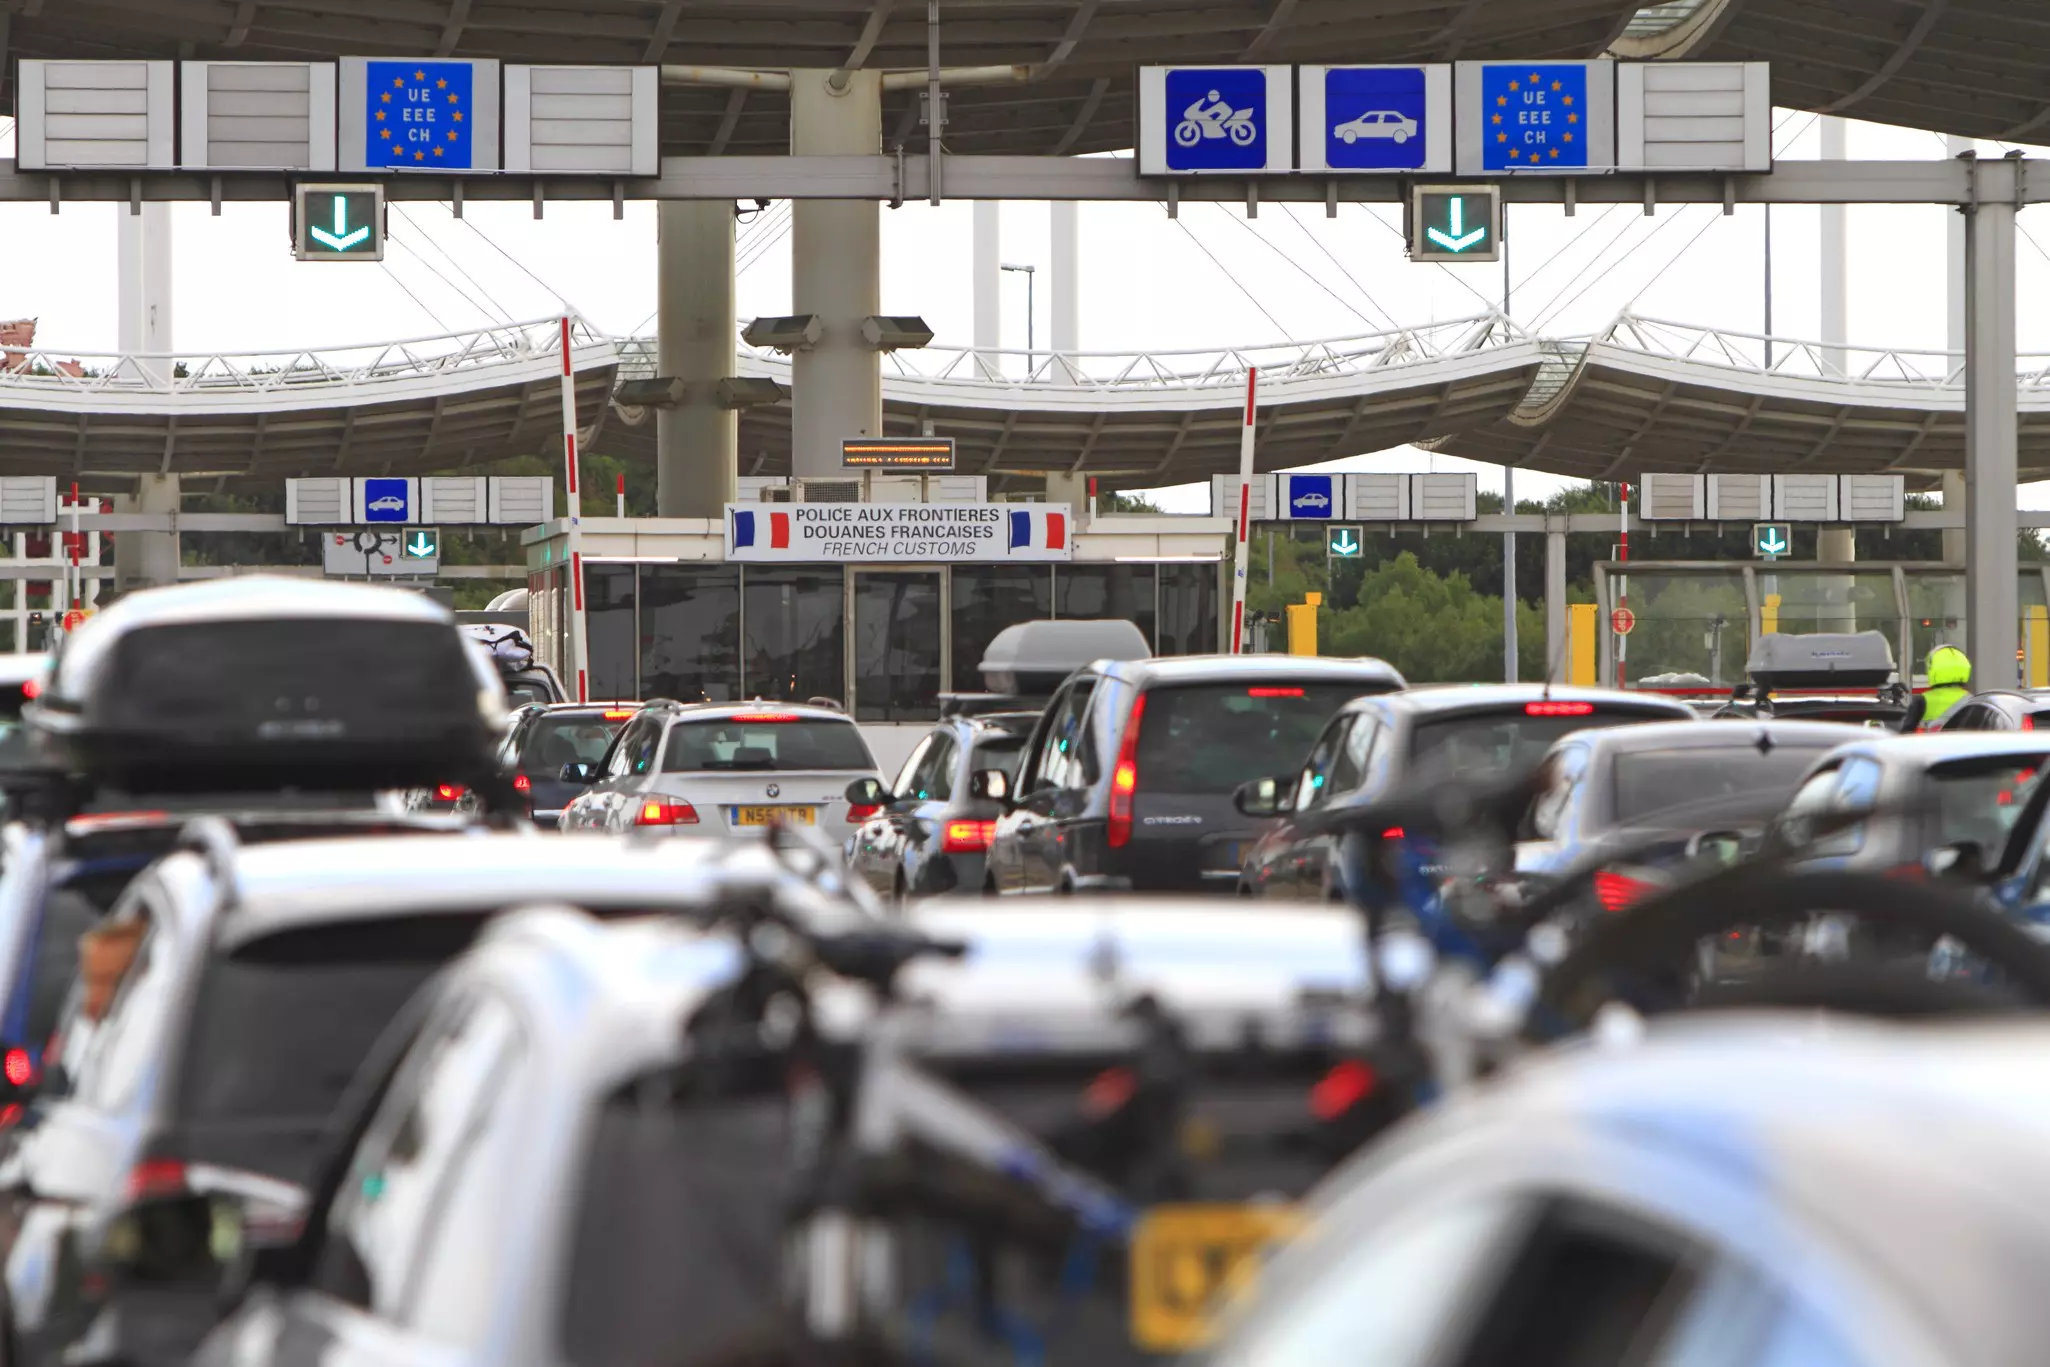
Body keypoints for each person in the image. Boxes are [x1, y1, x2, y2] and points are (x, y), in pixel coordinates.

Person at [1902, 644, 1972, 732]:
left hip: (1929, 745)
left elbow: (1906, 734)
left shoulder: (1922, 700)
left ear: (1932, 670)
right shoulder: (1972, 700)